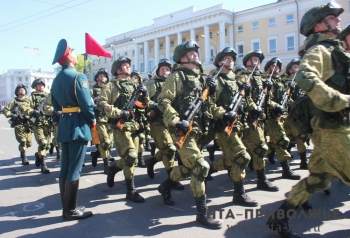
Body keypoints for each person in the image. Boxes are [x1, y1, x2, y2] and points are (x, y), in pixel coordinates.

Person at [266, 3, 350, 237]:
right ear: (319, 25)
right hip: (332, 129)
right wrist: (340, 100)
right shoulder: (320, 51)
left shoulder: (335, 50)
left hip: (335, 127)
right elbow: (305, 77)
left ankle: (279, 218)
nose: (337, 20)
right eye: (332, 17)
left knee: (319, 179)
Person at [156, 40, 224, 229]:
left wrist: (212, 91)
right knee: (200, 166)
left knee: (188, 168)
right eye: (191, 53)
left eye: (196, 52)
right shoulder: (177, 76)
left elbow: (208, 106)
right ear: (182, 58)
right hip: (183, 130)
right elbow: (163, 101)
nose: (195, 54)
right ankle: (202, 214)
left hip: (200, 130)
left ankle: (166, 186)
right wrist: (176, 120)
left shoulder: (201, 78)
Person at [206, 47, 259, 206]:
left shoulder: (236, 79)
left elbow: (244, 101)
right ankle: (239, 193)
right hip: (224, 126)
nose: (231, 60)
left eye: (232, 58)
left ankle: (208, 170)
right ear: (219, 62)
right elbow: (210, 104)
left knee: (230, 159)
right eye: (227, 58)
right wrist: (224, 114)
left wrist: (253, 105)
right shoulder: (216, 80)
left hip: (239, 124)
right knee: (242, 157)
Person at [51, 39, 95, 220]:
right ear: (68, 56)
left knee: (65, 167)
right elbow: (87, 104)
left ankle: (66, 208)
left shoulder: (56, 79)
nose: (75, 55)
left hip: (64, 125)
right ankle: (71, 210)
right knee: (75, 169)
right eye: (73, 52)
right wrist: (92, 119)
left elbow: (55, 104)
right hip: (78, 124)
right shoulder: (78, 77)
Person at [97, 56, 148, 203]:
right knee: (131, 156)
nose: (127, 67)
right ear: (118, 70)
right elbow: (101, 103)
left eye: (128, 65)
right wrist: (119, 113)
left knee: (132, 159)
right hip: (121, 127)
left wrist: (145, 95)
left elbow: (144, 104)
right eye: (124, 66)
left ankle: (114, 168)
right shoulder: (111, 86)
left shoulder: (134, 84)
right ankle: (130, 191)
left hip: (136, 126)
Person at [238, 50, 279, 191]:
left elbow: (269, 100)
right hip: (249, 119)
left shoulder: (263, 78)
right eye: (254, 59)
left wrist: (273, 101)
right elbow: (242, 97)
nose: (257, 62)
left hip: (260, 118)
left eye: (258, 60)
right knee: (260, 148)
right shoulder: (243, 77)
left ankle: (214, 169)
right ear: (247, 62)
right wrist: (252, 106)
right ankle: (261, 180)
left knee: (248, 151)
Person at [145, 59, 184, 190]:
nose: (165, 71)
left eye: (167, 69)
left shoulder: (174, 82)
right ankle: (172, 179)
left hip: (172, 120)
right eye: (163, 69)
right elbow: (144, 101)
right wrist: (153, 105)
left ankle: (151, 161)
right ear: (158, 71)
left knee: (174, 148)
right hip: (158, 121)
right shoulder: (152, 84)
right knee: (169, 149)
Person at [264, 57, 300, 180]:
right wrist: (276, 106)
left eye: (278, 66)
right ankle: (286, 170)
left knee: (278, 140)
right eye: (273, 66)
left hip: (282, 115)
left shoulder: (280, 81)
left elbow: (286, 98)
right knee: (281, 141)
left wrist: (297, 104)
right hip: (271, 116)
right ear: (268, 68)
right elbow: (266, 100)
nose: (276, 68)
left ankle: (267, 152)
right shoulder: (267, 81)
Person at [281, 58, 308, 169]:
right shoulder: (288, 82)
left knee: (296, 137)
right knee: (298, 137)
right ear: (290, 69)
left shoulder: (302, 81)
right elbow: (286, 98)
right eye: (295, 66)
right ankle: (303, 161)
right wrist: (297, 103)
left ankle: (289, 157)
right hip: (292, 114)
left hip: (302, 113)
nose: (297, 68)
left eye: (298, 66)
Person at [21, 78, 51, 174]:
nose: (40, 86)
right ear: (35, 87)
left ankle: (38, 155)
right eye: (38, 85)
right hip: (37, 124)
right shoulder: (31, 98)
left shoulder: (48, 96)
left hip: (47, 123)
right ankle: (43, 165)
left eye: (42, 85)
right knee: (43, 143)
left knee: (48, 145)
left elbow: (54, 105)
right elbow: (24, 107)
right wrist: (32, 111)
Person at [90, 68, 113, 174]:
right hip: (98, 118)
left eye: (104, 76)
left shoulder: (109, 88)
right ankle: (106, 164)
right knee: (104, 141)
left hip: (110, 117)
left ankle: (96, 154)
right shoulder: (92, 89)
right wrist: (93, 105)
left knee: (109, 142)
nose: (103, 77)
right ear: (97, 77)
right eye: (101, 75)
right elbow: (87, 101)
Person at [2, 84, 32, 165]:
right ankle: (24, 156)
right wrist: (11, 114)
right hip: (19, 124)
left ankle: (22, 150)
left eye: (23, 89)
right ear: (17, 92)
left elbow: (34, 109)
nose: (22, 90)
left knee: (29, 142)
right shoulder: (14, 102)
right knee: (23, 140)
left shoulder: (29, 100)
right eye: (20, 89)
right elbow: (6, 110)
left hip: (28, 123)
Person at [130, 70, 148, 168]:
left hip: (141, 118)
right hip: (131, 118)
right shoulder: (129, 90)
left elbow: (147, 103)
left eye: (136, 78)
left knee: (141, 139)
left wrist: (145, 93)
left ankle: (140, 158)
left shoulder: (142, 91)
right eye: (133, 77)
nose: (134, 80)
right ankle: (133, 158)